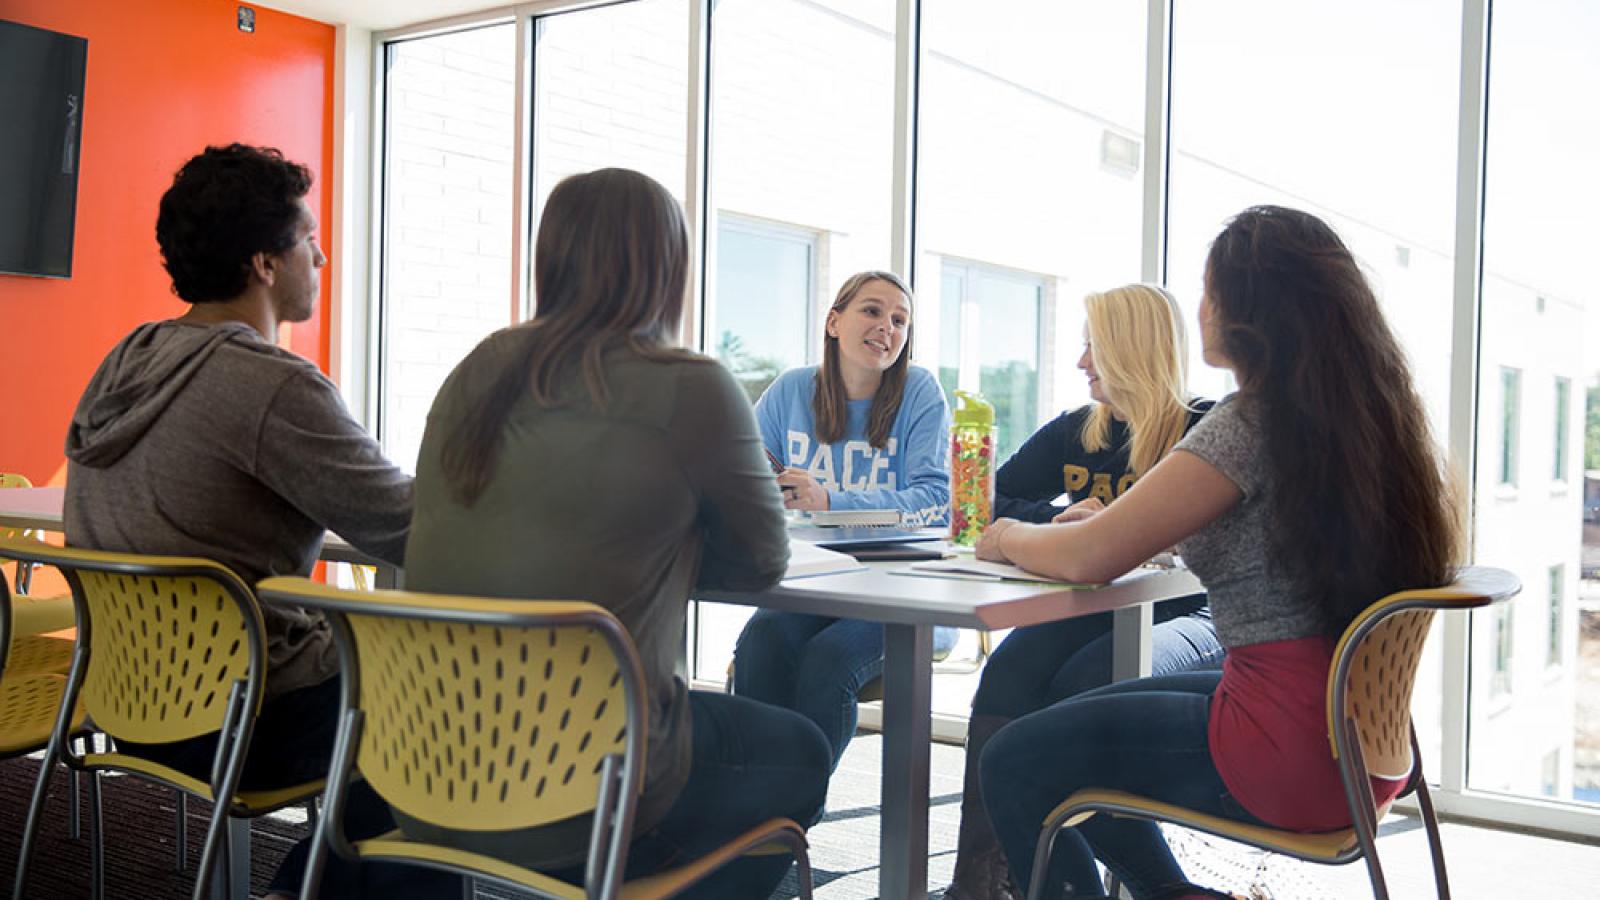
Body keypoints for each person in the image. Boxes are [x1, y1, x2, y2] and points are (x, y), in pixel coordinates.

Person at [973, 206, 1460, 900]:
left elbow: (1089, 559)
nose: (1198, 309)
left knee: (1013, 760)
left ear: (1251, 309)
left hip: (1286, 747)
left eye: (1209, 290)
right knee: (1069, 732)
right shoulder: (1369, 419)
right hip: (1357, 738)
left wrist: (1008, 537)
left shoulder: (1249, 424)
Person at [400, 167, 830, 898]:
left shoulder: (478, 369)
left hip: (424, 767)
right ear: (669, 268)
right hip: (589, 783)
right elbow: (763, 558)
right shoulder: (688, 384)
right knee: (802, 753)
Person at [63, 143, 433, 898]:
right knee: (435, 706)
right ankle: (301, 887)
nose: (321, 256)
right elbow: (409, 525)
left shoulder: (125, 361)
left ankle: (304, 880)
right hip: (247, 719)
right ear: (266, 263)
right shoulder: (270, 385)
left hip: (127, 704)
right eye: (308, 239)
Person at [944, 283, 1224, 900]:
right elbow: (988, 498)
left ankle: (1155, 888)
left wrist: (1100, 531)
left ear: (1130, 348)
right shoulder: (1079, 430)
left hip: (1189, 614)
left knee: (1080, 692)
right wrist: (1055, 524)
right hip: (1095, 605)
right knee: (1006, 676)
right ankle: (988, 880)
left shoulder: (1203, 429)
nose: (1081, 362)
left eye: (1093, 346)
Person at [730, 270, 952, 769]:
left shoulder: (919, 392)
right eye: (872, 311)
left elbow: (936, 501)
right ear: (834, 322)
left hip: (905, 593)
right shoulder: (791, 390)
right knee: (760, 643)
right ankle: (755, 812)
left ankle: (794, 810)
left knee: (828, 662)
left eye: (900, 320)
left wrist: (831, 499)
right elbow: (742, 473)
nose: (887, 327)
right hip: (815, 582)